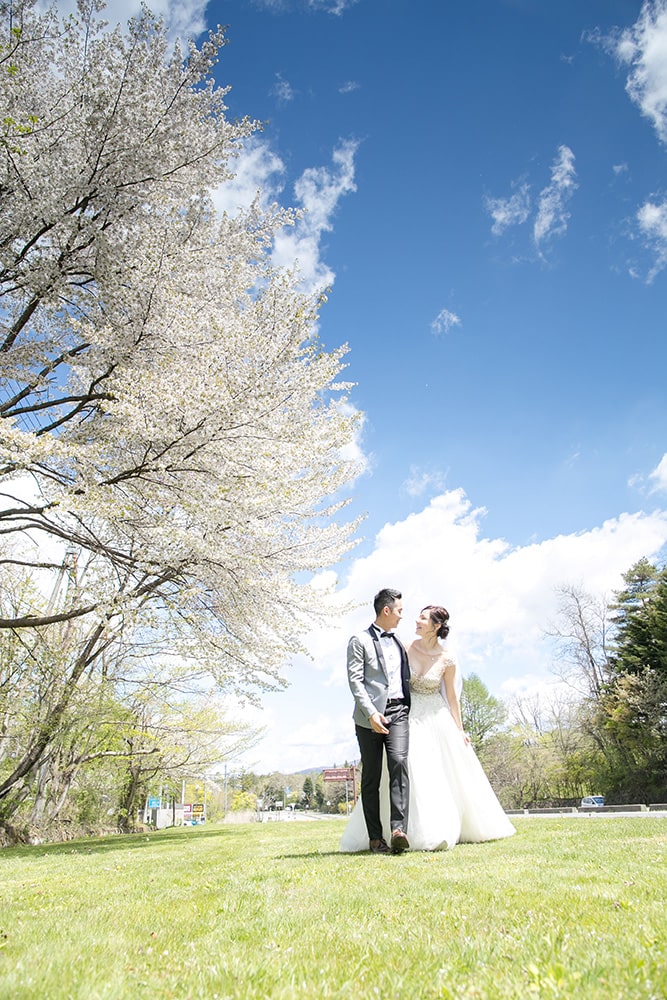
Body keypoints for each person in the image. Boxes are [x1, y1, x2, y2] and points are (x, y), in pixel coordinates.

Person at [340, 604, 515, 852]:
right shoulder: (406, 647)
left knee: (441, 772)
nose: (416, 621)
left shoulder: (447, 658)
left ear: (436, 625)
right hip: (407, 715)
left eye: (423, 618)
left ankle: (441, 826)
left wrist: (460, 728)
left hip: (436, 716)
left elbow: (452, 698)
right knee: (406, 765)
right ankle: (399, 830)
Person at [345, 588, 411, 854]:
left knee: (399, 763)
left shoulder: (398, 643)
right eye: (399, 611)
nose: (401, 616)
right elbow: (355, 681)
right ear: (386, 610)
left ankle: (398, 830)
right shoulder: (358, 640)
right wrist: (371, 713)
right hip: (368, 718)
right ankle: (376, 838)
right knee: (372, 776)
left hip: (398, 713)